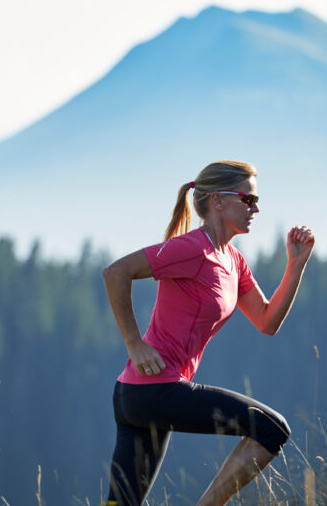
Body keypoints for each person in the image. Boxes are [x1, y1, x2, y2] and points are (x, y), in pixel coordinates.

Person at [102, 160, 315, 506]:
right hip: (156, 391)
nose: (255, 208)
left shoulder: (233, 260)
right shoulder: (192, 249)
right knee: (271, 429)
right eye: (247, 199)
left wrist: (295, 265)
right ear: (217, 200)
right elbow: (116, 273)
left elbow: (267, 321)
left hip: (139, 396)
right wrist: (134, 344)